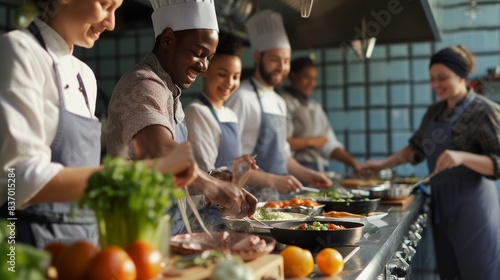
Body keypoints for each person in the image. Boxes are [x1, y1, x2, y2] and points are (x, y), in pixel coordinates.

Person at [0, 0, 199, 248]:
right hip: (29, 248)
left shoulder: (85, 77)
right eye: (105, 5)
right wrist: (148, 171)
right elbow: (17, 179)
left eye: (116, 9)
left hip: (84, 246)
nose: (111, 23)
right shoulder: (18, 51)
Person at [106, 0, 257, 234]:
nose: (204, 67)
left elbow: (166, 174)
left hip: (166, 232)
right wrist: (213, 187)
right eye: (199, 53)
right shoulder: (143, 83)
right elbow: (160, 151)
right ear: (168, 39)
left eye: (209, 57)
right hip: (138, 234)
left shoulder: (168, 90)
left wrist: (210, 177)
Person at [361, 45, 500, 280]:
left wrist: (462, 157)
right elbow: (416, 150)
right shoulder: (435, 112)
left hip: (473, 208)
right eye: (432, 79)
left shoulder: (484, 111)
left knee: (480, 273)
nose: (436, 85)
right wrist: (381, 165)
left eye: (442, 78)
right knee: (449, 274)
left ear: (462, 75)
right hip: (441, 206)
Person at [184, 32, 304, 230]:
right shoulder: (197, 113)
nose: (229, 83)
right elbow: (207, 180)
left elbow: (232, 177)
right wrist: (237, 174)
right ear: (205, 70)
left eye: (236, 77)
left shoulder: (230, 114)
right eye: (222, 74)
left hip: (229, 213)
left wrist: (242, 169)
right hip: (206, 218)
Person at [225, 9, 332, 201]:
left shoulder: (279, 102)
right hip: (248, 202)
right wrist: (273, 181)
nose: (281, 68)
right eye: (274, 60)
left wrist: (310, 175)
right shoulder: (242, 97)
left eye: (286, 61)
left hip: (278, 203)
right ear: (258, 57)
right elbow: (230, 163)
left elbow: (284, 157)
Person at [282, 57, 361, 174]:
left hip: (317, 168)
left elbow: (328, 142)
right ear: (293, 76)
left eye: (314, 79)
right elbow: (281, 144)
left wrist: (351, 162)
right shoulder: (283, 102)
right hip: (294, 170)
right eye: (307, 78)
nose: (312, 83)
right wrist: (312, 141)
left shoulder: (315, 107)